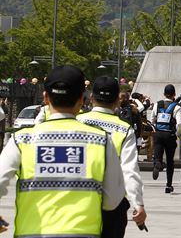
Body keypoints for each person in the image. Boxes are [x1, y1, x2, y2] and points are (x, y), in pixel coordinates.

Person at [0, 65, 126, 237]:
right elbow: (112, 201)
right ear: (82, 99)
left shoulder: (21, 140)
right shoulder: (102, 141)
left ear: (45, 98)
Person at [77, 76, 147, 237]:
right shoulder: (124, 129)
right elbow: (129, 170)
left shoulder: (76, 122)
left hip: (78, 200)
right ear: (117, 100)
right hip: (113, 203)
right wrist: (138, 203)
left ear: (92, 98)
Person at [151, 83, 181, 193]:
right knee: (170, 161)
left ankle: (157, 164)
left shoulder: (157, 104)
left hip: (159, 133)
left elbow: (152, 119)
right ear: (174, 94)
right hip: (170, 135)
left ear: (164, 94)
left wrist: (155, 130)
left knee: (157, 153)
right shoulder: (177, 107)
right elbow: (179, 124)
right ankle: (168, 185)